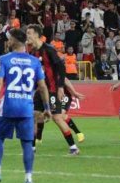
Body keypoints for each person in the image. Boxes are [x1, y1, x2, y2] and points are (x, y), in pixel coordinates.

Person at [0, 27, 51, 183]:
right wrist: (47, 108)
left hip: (8, 106)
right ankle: (28, 178)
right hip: (26, 108)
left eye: (9, 38)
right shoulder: (35, 62)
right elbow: (42, 87)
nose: (7, 41)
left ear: (15, 41)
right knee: (27, 143)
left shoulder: (4, 59)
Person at [26, 25, 80, 155]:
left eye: (29, 33)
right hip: (40, 90)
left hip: (51, 89)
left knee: (57, 117)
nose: (27, 35)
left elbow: (61, 68)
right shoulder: (33, 52)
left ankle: (73, 147)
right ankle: (32, 148)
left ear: (37, 35)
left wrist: (60, 87)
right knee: (34, 116)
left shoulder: (49, 50)